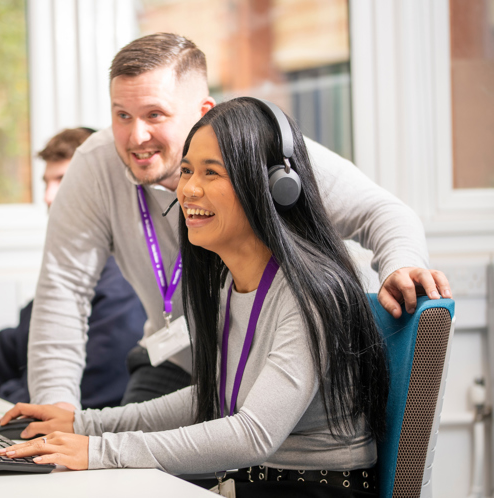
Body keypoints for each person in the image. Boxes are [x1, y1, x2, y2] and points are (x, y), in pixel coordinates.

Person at [27, 33, 450, 410]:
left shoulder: (263, 150)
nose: (136, 136)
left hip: (275, 366)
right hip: (180, 361)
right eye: (122, 115)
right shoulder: (95, 164)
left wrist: (401, 262)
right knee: (121, 468)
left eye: (155, 114)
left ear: (203, 111)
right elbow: (63, 291)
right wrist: (56, 411)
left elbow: (383, 211)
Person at [0, 98, 388, 497]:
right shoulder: (231, 285)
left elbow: (252, 434)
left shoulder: (314, 293)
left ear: (269, 186)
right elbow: (211, 397)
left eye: (210, 173)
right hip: (259, 483)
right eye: (186, 171)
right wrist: (83, 424)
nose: (188, 190)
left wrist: (99, 450)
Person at [0, 128, 146, 409]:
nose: (48, 196)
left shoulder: (123, 284)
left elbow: (87, 397)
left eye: (62, 180)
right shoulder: (75, 270)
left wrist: (6, 394)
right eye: (46, 182)